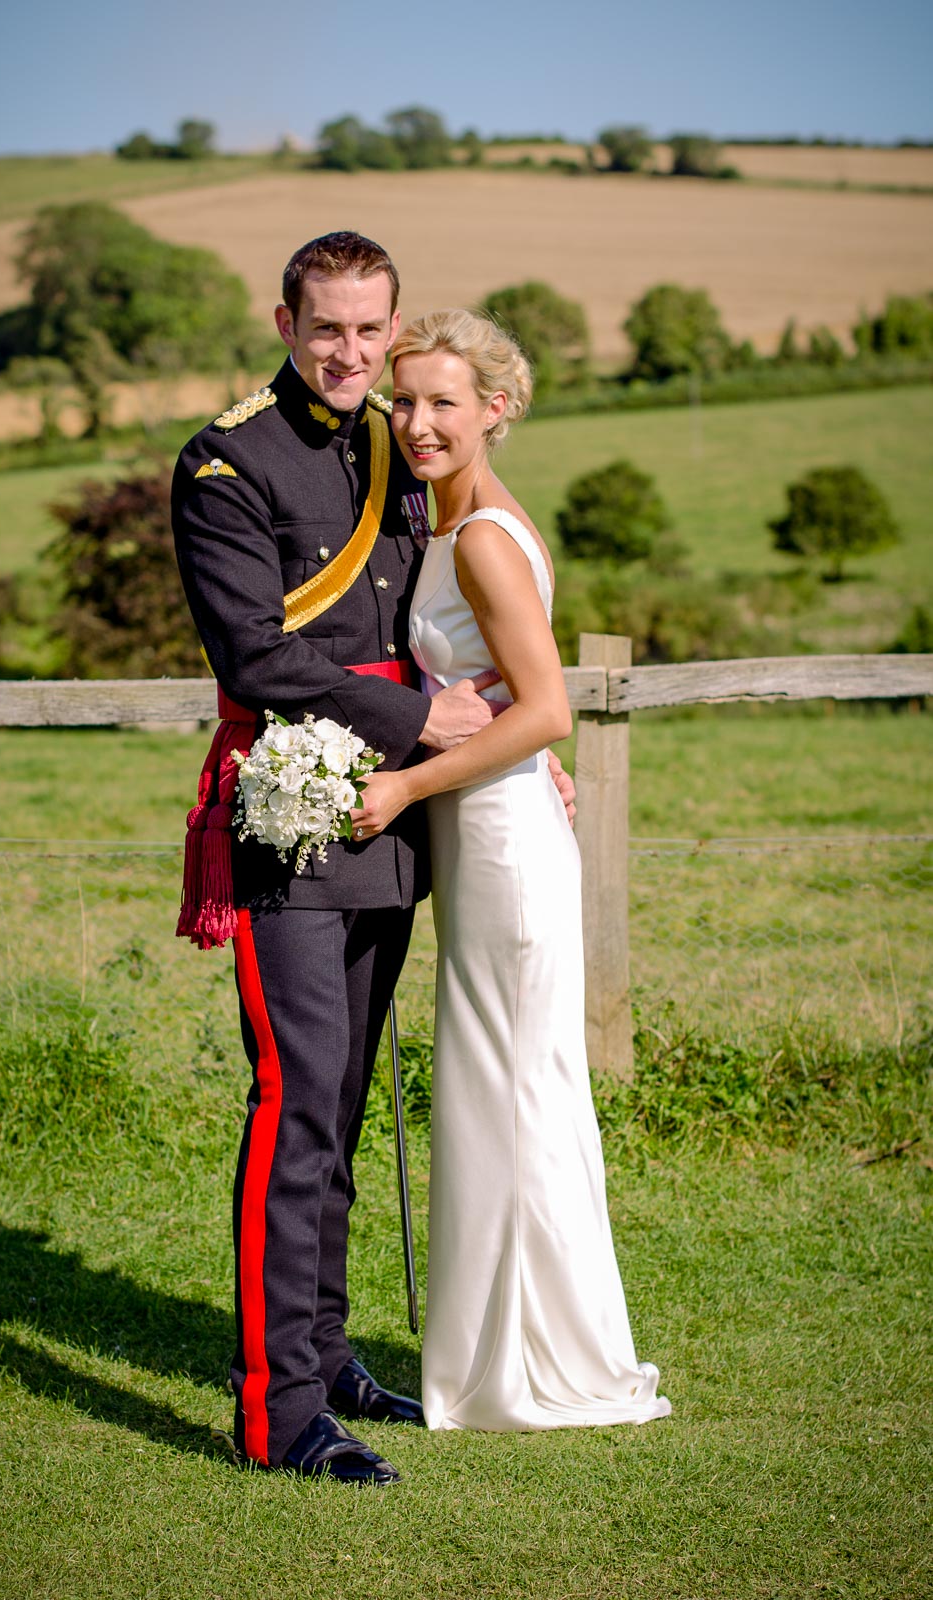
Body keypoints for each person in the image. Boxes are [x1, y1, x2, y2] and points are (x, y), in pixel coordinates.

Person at [171, 235, 514, 1485]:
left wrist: (510, 743)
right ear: (285, 317)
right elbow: (255, 657)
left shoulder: (401, 438)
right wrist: (421, 723)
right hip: (288, 819)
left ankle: (324, 1353)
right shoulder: (224, 458)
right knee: (296, 1107)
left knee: (347, 1104)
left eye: (372, 331)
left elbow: (443, 623)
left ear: (393, 321)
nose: (352, 355)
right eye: (328, 330)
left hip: (393, 816)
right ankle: (280, 1410)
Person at [350, 309, 672, 1432]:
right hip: (494, 828)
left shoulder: (479, 535)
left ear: (497, 408)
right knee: (506, 1089)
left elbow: (543, 707)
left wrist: (399, 788)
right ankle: (510, 1352)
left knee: (516, 1093)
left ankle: (537, 1366)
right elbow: (507, 697)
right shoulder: (457, 523)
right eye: (407, 400)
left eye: (445, 401)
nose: (420, 422)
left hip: (498, 844)